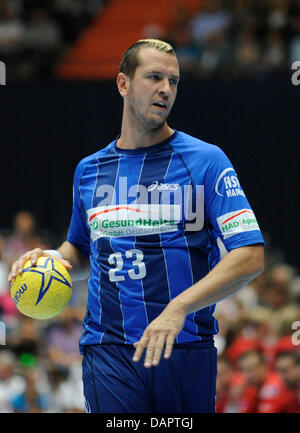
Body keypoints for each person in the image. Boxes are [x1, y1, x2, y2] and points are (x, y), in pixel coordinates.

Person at [8, 38, 264, 413]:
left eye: (173, 81)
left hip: (185, 347)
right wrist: (49, 258)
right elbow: (79, 249)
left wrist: (178, 309)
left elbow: (250, 255)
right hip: (108, 349)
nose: (166, 89)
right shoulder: (89, 170)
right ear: (123, 84)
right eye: (154, 77)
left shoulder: (207, 161)